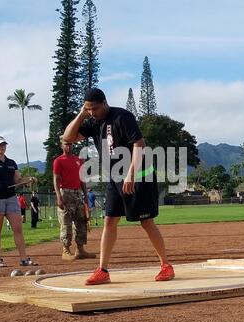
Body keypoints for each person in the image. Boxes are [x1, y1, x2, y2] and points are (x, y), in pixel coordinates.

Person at [63, 88, 174, 285]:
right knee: (109, 221)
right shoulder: (91, 121)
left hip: (139, 176)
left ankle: (166, 265)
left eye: (94, 109)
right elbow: (68, 138)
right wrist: (82, 114)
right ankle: (102, 270)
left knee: (146, 222)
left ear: (104, 103)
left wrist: (131, 174)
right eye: (88, 109)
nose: (92, 113)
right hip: (115, 178)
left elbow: (140, 144)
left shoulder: (122, 116)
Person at [0, 136, 37, 267]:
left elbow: (17, 180)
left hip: (11, 198)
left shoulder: (11, 162)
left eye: (4, 145)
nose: (2, 147)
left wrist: (28, 179)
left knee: (18, 228)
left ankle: (24, 259)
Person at [53, 136, 96, 261]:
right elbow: (56, 179)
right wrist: (59, 197)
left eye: (70, 144)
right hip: (65, 192)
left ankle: (80, 249)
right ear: (61, 145)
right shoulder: (58, 161)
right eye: (66, 144)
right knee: (66, 222)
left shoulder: (78, 160)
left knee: (81, 221)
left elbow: (82, 179)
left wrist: (85, 195)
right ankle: (65, 250)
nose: (68, 146)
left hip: (77, 193)